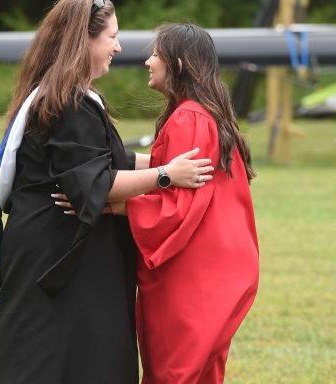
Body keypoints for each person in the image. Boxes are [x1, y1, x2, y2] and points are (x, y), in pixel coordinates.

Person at [0, 0, 214, 384]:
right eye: (111, 36)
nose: (119, 47)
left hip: (50, 249)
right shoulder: (69, 102)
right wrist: (165, 176)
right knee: (66, 362)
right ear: (84, 40)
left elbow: (104, 158)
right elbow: (95, 182)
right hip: (59, 257)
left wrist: (171, 160)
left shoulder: (56, 94)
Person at [109, 23, 259, 383]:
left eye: (155, 54)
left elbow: (178, 209)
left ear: (176, 63)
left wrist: (111, 205)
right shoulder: (206, 115)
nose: (147, 61)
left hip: (194, 276)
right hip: (220, 269)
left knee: (175, 374)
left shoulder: (189, 119)